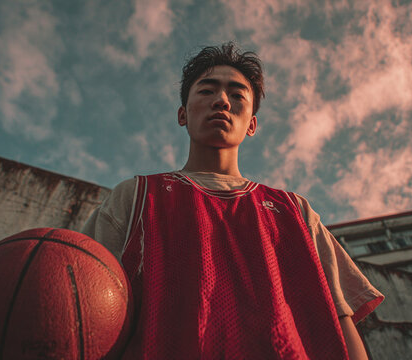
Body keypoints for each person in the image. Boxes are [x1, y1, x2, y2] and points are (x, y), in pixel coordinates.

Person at [83, 42, 383, 359]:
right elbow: (82, 301)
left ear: (252, 124)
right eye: (207, 91)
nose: (222, 102)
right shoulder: (137, 196)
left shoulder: (295, 210)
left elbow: (340, 322)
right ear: (182, 114)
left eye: (237, 95)